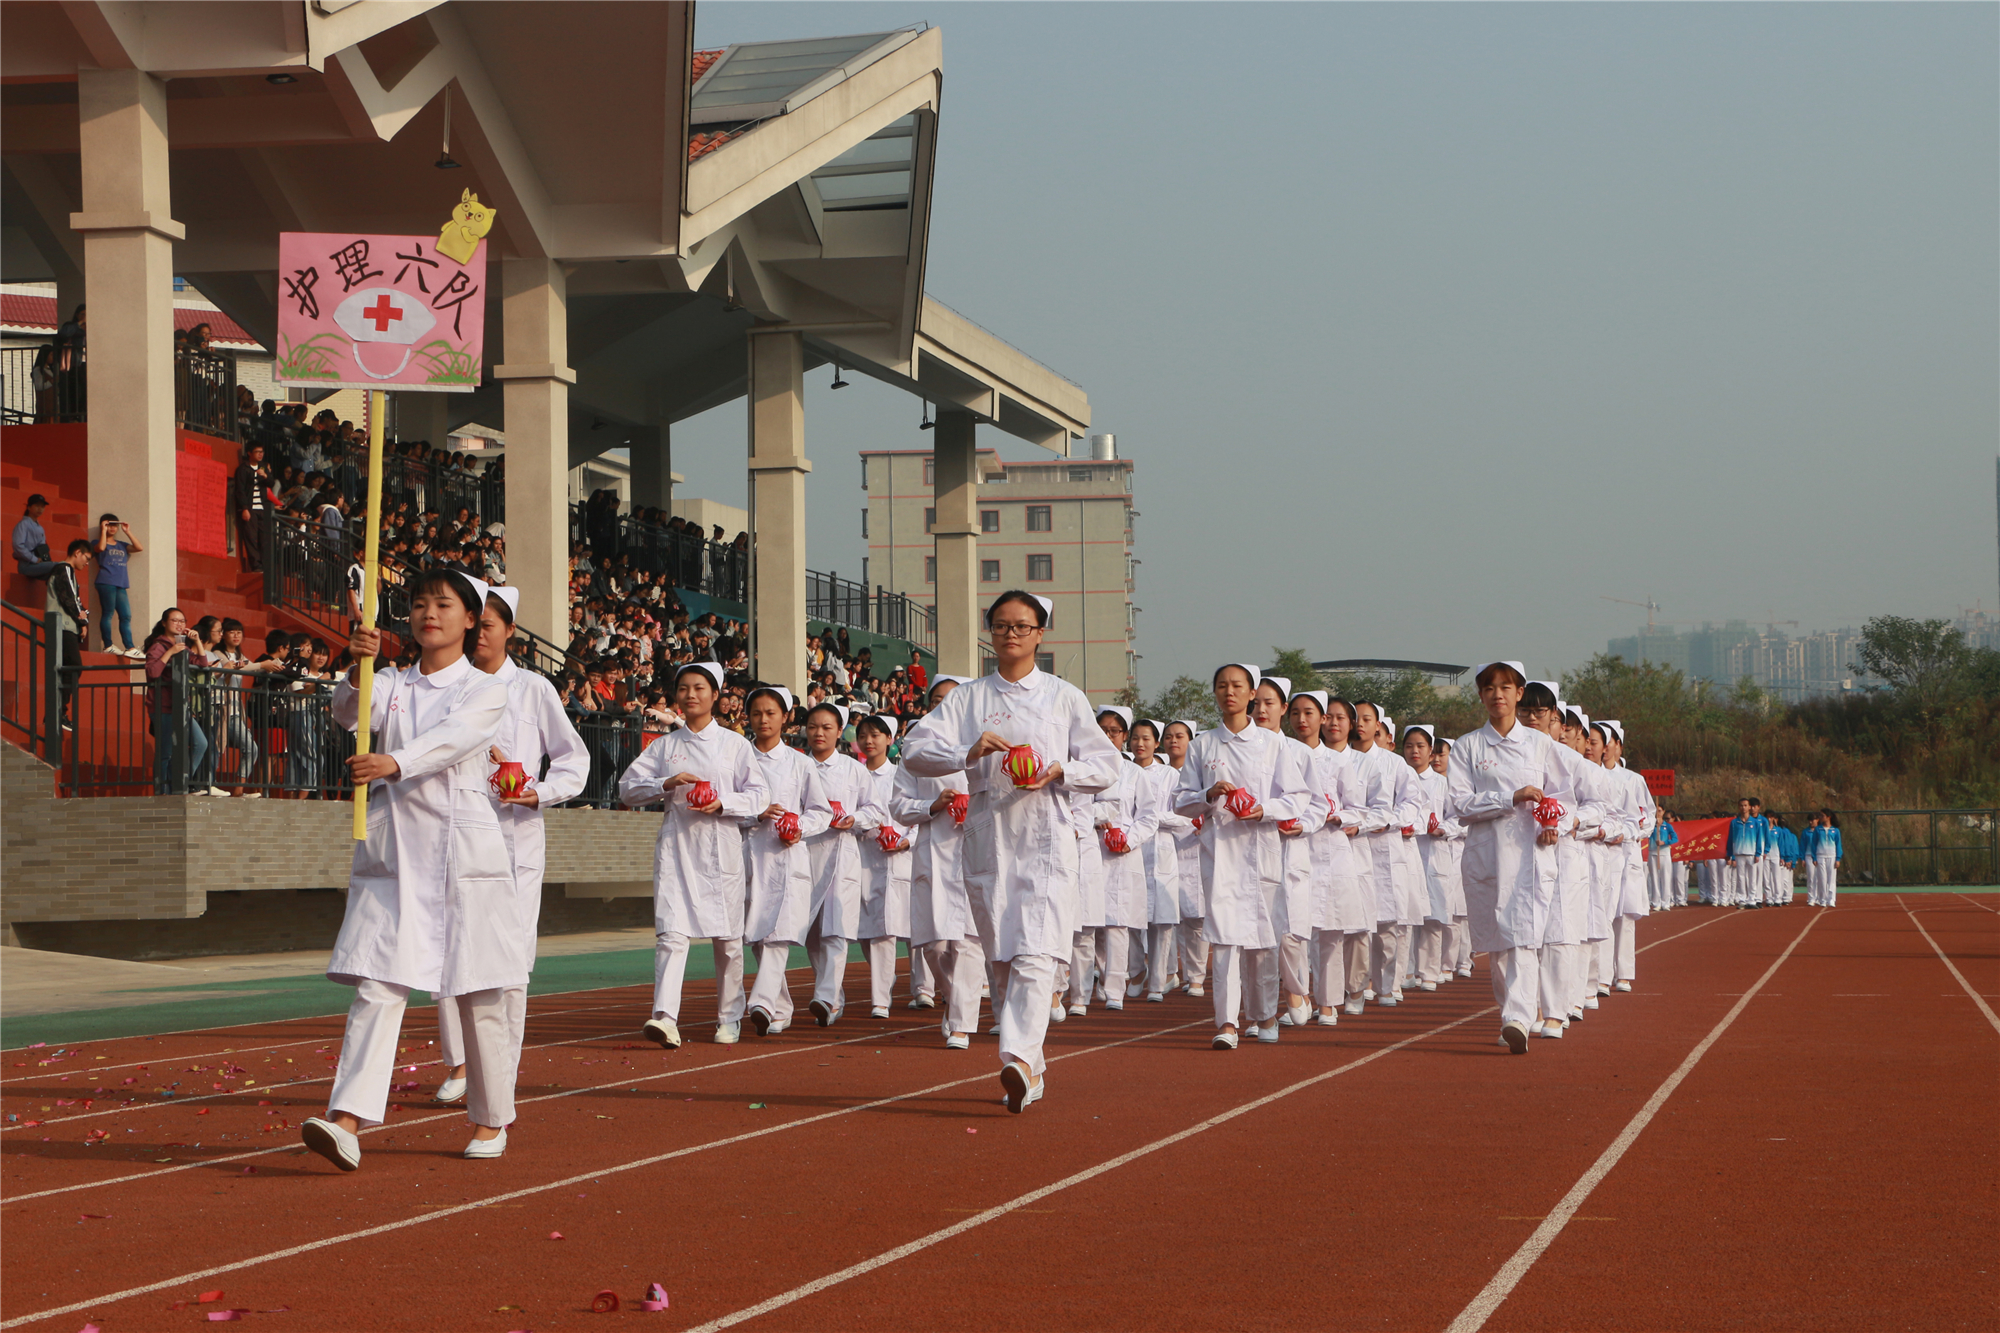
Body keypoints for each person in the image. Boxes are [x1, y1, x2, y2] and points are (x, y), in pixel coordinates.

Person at [300, 570, 515, 1170]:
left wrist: (394, 761)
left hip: (461, 855)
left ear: (471, 618)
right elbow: (348, 713)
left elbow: (456, 738)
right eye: (420, 603)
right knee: (378, 982)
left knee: (477, 991)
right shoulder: (389, 680)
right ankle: (347, 1120)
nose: (430, 614)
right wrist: (355, 664)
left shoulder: (484, 688)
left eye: (444, 604)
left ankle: (491, 1116)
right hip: (396, 854)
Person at [900, 590, 1121, 1112]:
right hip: (988, 835)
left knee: (1037, 948)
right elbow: (912, 751)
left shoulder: (1064, 697)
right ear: (990, 633)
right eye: (1001, 625)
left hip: (1047, 835)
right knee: (1001, 952)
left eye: (1022, 626)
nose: (1011, 634)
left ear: (1040, 634)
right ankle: (1033, 1068)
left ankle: (1017, 1057)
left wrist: (1064, 769)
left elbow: (1108, 764)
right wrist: (965, 751)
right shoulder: (968, 699)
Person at [432, 586, 590, 1102]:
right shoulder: (445, 687)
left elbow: (574, 759)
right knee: (448, 947)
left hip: (515, 838)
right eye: (473, 624)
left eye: (489, 626)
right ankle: (458, 1065)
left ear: (509, 632)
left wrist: (538, 793)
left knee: (512, 959)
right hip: (455, 832)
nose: (479, 634)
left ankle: (501, 1069)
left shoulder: (533, 689)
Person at [1443, 661, 1617, 1055]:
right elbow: (1457, 803)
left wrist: (1559, 821)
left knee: (1522, 936)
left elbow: (1586, 793)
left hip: (1531, 857)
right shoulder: (1468, 746)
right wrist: (1509, 797)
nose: (1498, 695)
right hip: (1486, 857)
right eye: (1489, 688)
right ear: (1481, 695)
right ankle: (1513, 1012)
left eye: (1506, 688)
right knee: (1497, 942)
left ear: (1519, 693)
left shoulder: (1542, 747)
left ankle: (1518, 1017)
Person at [617, 661, 766, 1050]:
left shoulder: (735, 745)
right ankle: (665, 1017)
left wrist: (723, 803)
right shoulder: (664, 746)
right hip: (677, 847)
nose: (690, 695)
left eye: (699, 688)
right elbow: (627, 789)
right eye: (683, 688)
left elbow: (759, 795)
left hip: (721, 846)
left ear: (715, 695)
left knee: (728, 939)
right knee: (671, 933)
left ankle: (729, 1017)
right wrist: (665, 783)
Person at [1173, 663, 1308, 1049]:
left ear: (1252, 694)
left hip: (1262, 850)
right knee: (1225, 938)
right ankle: (1227, 1023)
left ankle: (1265, 1015)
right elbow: (1181, 802)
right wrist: (1208, 795)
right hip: (1221, 852)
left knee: (1264, 937)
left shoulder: (1273, 744)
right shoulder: (1202, 745)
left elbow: (1297, 797)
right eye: (1221, 686)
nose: (1228, 692)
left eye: (1237, 686)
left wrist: (1263, 810)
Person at [894, 675, 985, 1047]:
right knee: (933, 944)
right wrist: (932, 806)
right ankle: (954, 998)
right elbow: (899, 806)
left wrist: (975, 810)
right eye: (937, 700)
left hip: (976, 852)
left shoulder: (987, 749)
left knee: (967, 940)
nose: (944, 705)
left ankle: (962, 1022)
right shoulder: (915, 755)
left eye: (952, 699)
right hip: (932, 852)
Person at [740, 685, 832, 1039]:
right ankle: (781, 1006)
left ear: (786, 717)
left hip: (786, 855)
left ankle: (761, 1001)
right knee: (756, 936)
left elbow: (820, 811)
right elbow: (730, 805)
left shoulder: (800, 763)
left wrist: (799, 826)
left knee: (778, 932)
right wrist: (753, 813)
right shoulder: (739, 757)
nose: (763, 720)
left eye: (771, 713)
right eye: (757, 713)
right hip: (748, 854)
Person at [800, 701, 867, 1026]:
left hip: (842, 854)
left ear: (840, 731)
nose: (819, 733)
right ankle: (833, 994)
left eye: (827, 727)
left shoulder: (854, 769)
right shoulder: (797, 766)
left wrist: (854, 818)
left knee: (836, 929)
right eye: (813, 726)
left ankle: (825, 996)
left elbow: (877, 810)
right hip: (804, 854)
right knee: (811, 931)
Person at [850, 713, 917, 1020]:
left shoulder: (901, 775)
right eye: (863, 735)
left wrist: (906, 840)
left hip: (895, 857)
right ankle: (885, 980)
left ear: (890, 740)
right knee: (865, 930)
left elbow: (915, 812)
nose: (869, 740)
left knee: (888, 929)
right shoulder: (853, 774)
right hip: (862, 856)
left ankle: (881, 1000)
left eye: (876, 735)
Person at [1131, 718, 1187, 1002]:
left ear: (1155, 743)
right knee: (1128, 915)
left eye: (1146, 738)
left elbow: (1184, 817)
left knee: (1162, 920)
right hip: (1129, 850)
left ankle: (1157, 982)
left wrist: (1151, 818)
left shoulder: (1169, 776)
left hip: (1162, 851)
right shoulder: (1123, 772)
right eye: (1136, 738)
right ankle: (1135, 971)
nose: (1140, 744)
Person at [1162, 720, 1210, 997]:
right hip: (1167, 848)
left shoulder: (1199, 773)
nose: (1173, 741)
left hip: (1197, 848)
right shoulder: (1158, 774)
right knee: (1167, 917)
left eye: (1179, 736)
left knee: (1196, 918)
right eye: (1168, 736)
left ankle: (1195, 977)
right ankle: (1170, 972)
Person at [47, 539, 93, 731]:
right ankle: (58, 712)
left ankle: (57, 712)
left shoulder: (68, 572)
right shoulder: (64, 569)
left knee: (67, 669)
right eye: (87, 558)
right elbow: (69, 598)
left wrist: (83, 620)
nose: (87, 563)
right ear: (77, 553)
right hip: (62, 626)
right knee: (74, 665)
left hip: (67, 626)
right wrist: (82, 619)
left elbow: (76, 601)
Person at [90, 513, 143, 658]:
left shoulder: (122, 545)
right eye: (109, 525)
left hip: (120, 583)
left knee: (126, 615)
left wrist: (127, 531)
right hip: (106, 581)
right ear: (103, 525)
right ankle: (107, 645)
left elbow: (139, 547)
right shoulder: (96, 541)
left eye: (115, 525)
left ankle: (130, 647)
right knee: (108, 613)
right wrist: (102, 531)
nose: (113, 528)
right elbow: (100, 549)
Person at [233, 443, 270, 572]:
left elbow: (271, 482)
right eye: (257, 451)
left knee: (264, 538)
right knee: (251, 538)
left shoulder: (263, 467)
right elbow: (240, 490)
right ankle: (256, 566)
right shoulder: (243, 469)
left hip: (262, 508)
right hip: (250, 508)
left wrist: (265, 476)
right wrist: (244, 508)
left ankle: (265, 565)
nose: (260, 454)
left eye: (262, 451)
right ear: (249, 453)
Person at [1727, 797, 1767, 911]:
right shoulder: (1734, 822)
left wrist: (1758, 853)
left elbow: (1759, 838)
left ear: (1749, 807)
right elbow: (1730, 839)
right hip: (1739, 853)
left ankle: (1752, 900)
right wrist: (1730, 853)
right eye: (1741, 805)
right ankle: (1742, 900)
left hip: (1751, 853)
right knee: (1740, 877)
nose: (1743, 808)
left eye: (1745, 805)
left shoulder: (1755, 823)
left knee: (1752, 877)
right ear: (1738, 807)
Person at [12, 493, 57, 582]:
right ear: (29, 507)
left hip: (39, 564)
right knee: (59, 566)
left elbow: (42, 548)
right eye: (37, 506)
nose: (40, 509)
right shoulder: (23, 524)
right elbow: (18, 545)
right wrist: (34, 559)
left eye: (42, 507)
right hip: (27, 565)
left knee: (57, 576)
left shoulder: (40, 528)